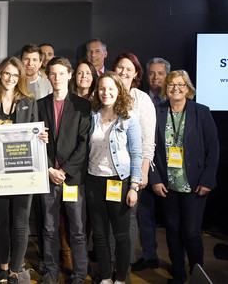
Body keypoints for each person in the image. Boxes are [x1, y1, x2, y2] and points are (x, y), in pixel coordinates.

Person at [149, 70, 219, 284]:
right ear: (166, 88)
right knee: (172, 231)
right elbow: (148, 149)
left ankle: (197, 272)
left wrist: (208, 179)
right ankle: (178, 272)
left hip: (195, 184)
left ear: (188, 89)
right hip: (167, 185)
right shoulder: (157, 112)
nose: (176, 88)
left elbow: (213, 148)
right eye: (171, 84)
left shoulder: (201, 112)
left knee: (191, 232)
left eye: (181, 84)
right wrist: (155, 179)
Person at [0, 57, 43, 284]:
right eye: (7, 74)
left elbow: (35, 134)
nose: (10, 78)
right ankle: (3, 269)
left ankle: (16, 271)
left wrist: (41, 137)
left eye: (15, 75)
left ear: (20, 78)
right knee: (0, 223)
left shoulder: (29, 101)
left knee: (20, 222)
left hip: (23, 171)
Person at [37, 57, 91, 284]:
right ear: (48, 77)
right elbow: (36, 141)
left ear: (69, 75)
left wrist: (64, 171)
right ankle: (50, 272)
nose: (57, 78)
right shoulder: (39, 105)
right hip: (48, 177)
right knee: (48, 229)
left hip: (73, 179)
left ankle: (79, 275)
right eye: (53, 74)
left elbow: (83, 144)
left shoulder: (83, 106)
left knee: (78, 232)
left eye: (61, 73)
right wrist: (50, 168)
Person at [85, 71, 142, 284]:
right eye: (101, 88)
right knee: (99, 235)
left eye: (110, 88)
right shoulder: (92, 115)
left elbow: (137, 153)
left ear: (118, 90)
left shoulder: (129, 117)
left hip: (119, 181)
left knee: (121, 236)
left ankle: (120, 279)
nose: (105, 93)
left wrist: (134, 186)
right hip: (93, 180)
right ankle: (106, 278)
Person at [112, 52, 156, 266]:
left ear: (136, 73)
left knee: (128, 218)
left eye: (129, 69)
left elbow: (148, 140)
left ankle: (124, 266)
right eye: (120, 67)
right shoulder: (106, 93)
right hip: (106, 169)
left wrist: (143, 172)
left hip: (132, 169)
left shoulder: (142, 99)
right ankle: (109, 262)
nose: (123, 72)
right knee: (109, 219)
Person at [133, 57, 172, 271]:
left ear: (167, 75)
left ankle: (177, 262)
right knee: (144, 215)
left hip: (170, 170)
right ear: (146, 76)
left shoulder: (176, 100)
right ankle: (149, 255)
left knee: (173, 221)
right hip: (144, 166)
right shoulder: (140, 100)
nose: (155, 77)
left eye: (160, 73)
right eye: (152, 73)